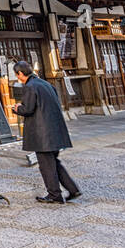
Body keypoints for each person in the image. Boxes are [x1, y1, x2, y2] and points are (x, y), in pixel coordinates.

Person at [12, 60, 81, 204]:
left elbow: (28, 109)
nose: (18, 77)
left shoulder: (30, 87)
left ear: (20, 73)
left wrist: (17, 108)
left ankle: (54, 194)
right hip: (55, 130)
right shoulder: (46, 84)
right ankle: (72, 188)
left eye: (17, 74)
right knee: (54, 162)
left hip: (42, 134)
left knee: (46, 165)